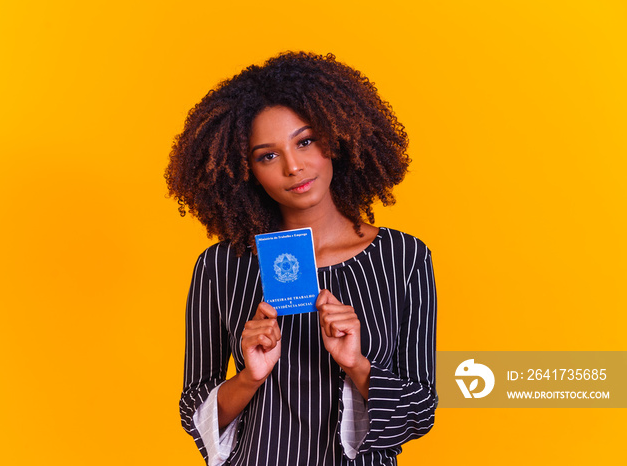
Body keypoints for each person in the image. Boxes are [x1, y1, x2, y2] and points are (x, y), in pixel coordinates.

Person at [166, 51, 437, 466]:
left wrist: (356, 364)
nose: (293, 166)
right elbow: (194, 408)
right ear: (246, 170)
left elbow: (419, 409)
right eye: (267, 156)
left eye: (305, 141)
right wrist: (249, 377)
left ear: (337, 138)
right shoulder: (220, 267)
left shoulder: (404, 258)